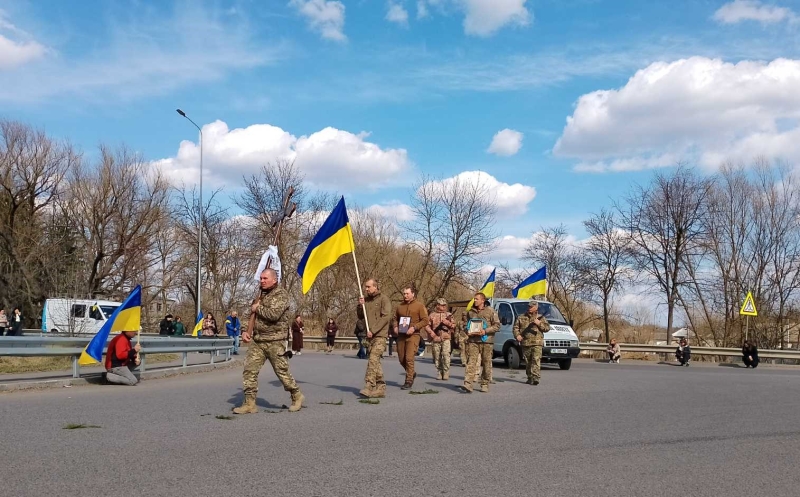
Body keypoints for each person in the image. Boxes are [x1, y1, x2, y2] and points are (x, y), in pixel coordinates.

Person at [234, 268, 304, 414]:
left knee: (281, 372)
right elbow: (249, 315)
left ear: (274, 279)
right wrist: (244, 331)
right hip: (258, 341)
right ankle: (249, 403)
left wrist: (258, 308)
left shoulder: (281, 294)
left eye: (265, 278)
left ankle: (296, 395)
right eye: (261, 278)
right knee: (249, 370)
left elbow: (274, 314)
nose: (262, 281)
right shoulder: (259, 295)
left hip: (275, 340)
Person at [358, 278, 392, 398]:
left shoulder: (384, 299)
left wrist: (373, 330)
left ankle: (369, 385)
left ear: (375, 287)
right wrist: (360, 305)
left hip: (380, 335)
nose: (366, 289)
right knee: (375, 362)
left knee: (373, 359)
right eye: (365, 287)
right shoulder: (366, 300)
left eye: (368, 287)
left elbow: (386, 317)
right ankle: (381, 387)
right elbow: (360, 316)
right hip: (369, 337)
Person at [461, 292, 499, 393]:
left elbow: (497, 326)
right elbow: (465, 324)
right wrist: (467, 330)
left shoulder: (490, 311)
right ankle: (468, 383)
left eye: (477, 299)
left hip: (486, 341)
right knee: (471, 362)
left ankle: (484, 383)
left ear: (483, 300)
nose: (475, 300)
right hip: (473, 340)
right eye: (474, 299)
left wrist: (485, 331)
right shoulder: (470, 312)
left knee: (486, 362)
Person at [394, 284, 429, 390]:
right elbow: (395, 319)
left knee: (409, 358)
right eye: (404, 293)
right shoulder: (400, 306)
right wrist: (395, 327)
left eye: (407, 293)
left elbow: (425, 320)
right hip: (401, 335)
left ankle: (408, 380)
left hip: (413, 335)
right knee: (401, 359)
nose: (405, 295)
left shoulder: (419, 306)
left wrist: (414, 327)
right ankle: (412, 372)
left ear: (413, 294)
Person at [514, 300, 550, 385]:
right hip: (526, 343)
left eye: (532, 306)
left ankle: (536, 377)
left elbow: (547, 328)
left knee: (536, 360)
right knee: (528, 361)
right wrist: (517, 335)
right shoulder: (521, 317)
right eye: (529, 306)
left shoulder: (541, 317)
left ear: (536, 307)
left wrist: (539, 323)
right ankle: (530, 377)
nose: (529, 308)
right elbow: (515, 328)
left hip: (537, 342)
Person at [425, 297, 454, 380]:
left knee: (446, 355)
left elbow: (454, 325)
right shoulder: (432, 315)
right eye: (441, 305)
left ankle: (446, 372)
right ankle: (439, 372)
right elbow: (426, 326)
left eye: (444, 305)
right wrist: (432, 334)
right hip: (435, 338)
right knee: (436, 356)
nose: (443, 307)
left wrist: (447, 323)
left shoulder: (449, 315)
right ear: (437, 305)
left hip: (446, 338)